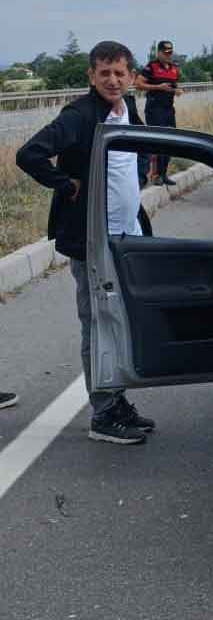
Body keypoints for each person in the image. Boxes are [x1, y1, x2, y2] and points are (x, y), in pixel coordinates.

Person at [16, 41, 155, 445]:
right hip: (94, 242)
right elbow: (30, 154)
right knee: (98, 324)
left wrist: (143, 172)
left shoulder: (128, 109)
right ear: (91, 77)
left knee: (121, 322)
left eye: (120, 73)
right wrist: (66, 184)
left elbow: (140, 147)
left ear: (131, 77)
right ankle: (103, 413)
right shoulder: (78, 116)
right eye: (104, 73)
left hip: (127, 237)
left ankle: (117, 399)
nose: (113, 80)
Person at [135, 40, 182, 186]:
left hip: (168, 109)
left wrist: (177, 91)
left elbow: (174, 86)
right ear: (159, 52)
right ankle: (155, 176)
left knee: (171, 141)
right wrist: (158, 87)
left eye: (170, 52)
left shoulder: (174, 69)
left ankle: (164, 174)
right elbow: (138, 84)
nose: (169, 55)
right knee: (158, 141)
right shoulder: (151, 67)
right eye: (166, 53)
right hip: (154, 109)